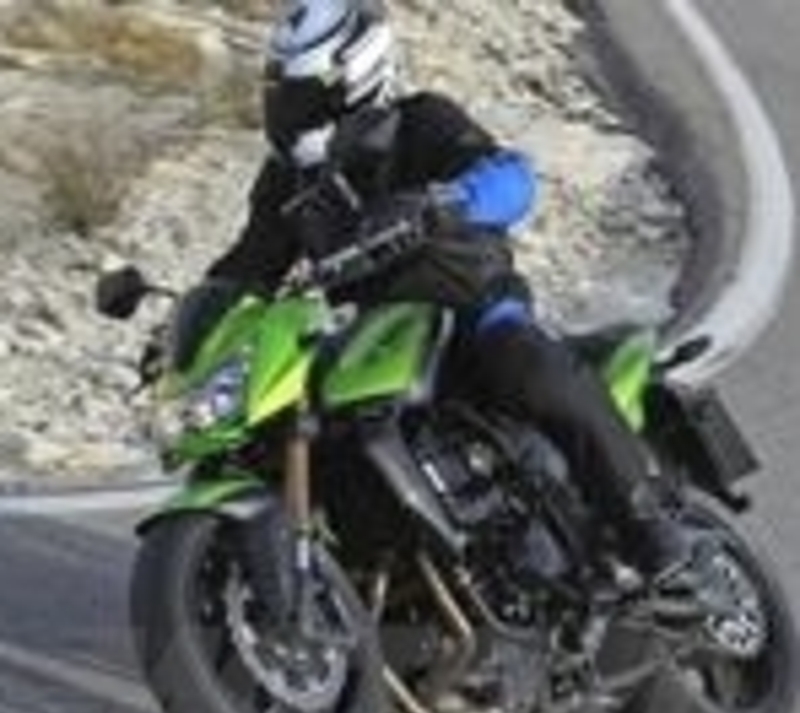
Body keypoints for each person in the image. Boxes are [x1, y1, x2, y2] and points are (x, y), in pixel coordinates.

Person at [207, 0, 689, 586]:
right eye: (282, 95)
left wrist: (449, 201)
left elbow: (513, 179)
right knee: (297, 424)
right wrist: (197, 325)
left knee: (525, 364)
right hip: (375, 339)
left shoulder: (421, 122)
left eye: (303, 96)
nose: (288, 111)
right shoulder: (288, 182)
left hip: (469, 304)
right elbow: (248, 267)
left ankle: (650, 529)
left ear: (355, 78)